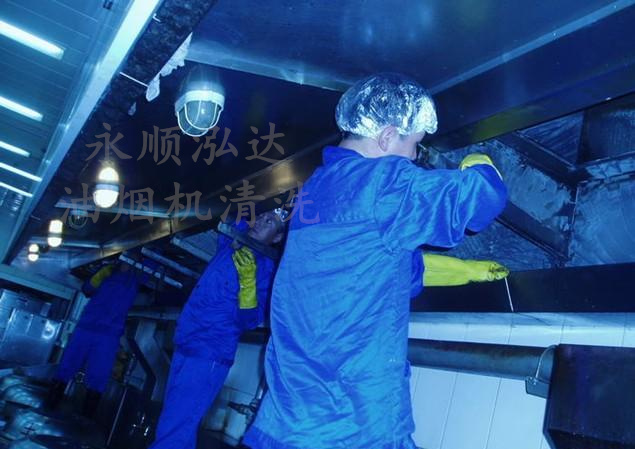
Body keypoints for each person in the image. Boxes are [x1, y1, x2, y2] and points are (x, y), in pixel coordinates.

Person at [244, 72, 508, 449]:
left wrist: (465, 272)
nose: (414, 157)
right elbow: (485, 198)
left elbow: (387, 270)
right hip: (352, 426)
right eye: (414, 144)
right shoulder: (381, 181)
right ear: (386, 137)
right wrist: (479, 162)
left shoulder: (317, 190)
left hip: (286, 422)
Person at [149, 210, 286, 449]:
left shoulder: (266, 269)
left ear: (276, 237)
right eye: (261, 216)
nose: (260, 222)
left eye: (269, 222)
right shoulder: (233, 242)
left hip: (208, 354)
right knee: (176, 427)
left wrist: (248, 283)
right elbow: (230, 211)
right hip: (186, 343)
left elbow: (249, 321)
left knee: (173, 431)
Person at [45, 261, 142, 417]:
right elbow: (87, 289)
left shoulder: (137, 275)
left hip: (109, 333)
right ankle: (47, 410)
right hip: (86, 327)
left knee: (99, 375)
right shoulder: (107, 270)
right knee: (66, 367)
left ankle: (85, 421)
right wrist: (103, 273)